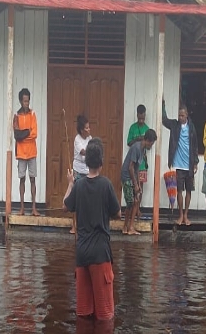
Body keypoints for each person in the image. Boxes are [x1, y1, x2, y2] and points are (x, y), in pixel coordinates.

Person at [64, 137, 120, 320]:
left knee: (83, 314)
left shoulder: (78, 185)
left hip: (82, 254)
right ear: (101, 161)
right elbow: (118, 213)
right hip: (100, 254)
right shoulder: (106, 185)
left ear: (87, 162)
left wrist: (70, 183)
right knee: (105, 316)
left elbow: (65, 205)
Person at [162, 100, 202, 225]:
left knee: (189, 191)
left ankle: (186, 215)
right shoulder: (174, 125)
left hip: (189, 165)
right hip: (178, 165)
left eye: (182, 115)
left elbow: (195, 145)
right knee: (179, 190)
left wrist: (195, 162)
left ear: (187, 115)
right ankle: (180, 215)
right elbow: (164, 120)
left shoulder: (192, 127)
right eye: (179, 115)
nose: (180, 118)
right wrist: (163, 104)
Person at [120, 129, 157, 236]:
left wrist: (138, 184)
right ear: (148, 140)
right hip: (127, 176)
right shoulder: (136, 148)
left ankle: (131, 227)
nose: (151, 146)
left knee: (136, 200)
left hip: (133, 176)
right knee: (130, 203)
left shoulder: (142, 149)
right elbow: (130, 167)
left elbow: (136, 169)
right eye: (152, 143)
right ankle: (125, 227)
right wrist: (135, 184)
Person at [13, 88, 39, 216]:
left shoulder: (32, 114)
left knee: (32, 179)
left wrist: (23, 135)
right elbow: (16, 135)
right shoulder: (16, 116)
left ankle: (34, 208)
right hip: (21, 153)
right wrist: (27, 132)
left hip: (31, 152)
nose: (26, 103)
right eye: (24, 101)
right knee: (22, 179)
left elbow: (35, 133)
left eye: (28, 101)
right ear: (20, 101)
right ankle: (22, 208)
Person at [70, 114, 92, 236]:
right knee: (77, 198)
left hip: (88, 171)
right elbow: (83, 152)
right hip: (78, 171)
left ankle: (85, 225)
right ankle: (74, 225)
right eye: (87, 128)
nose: (89, 129)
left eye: (89, 127)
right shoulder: (77, 139)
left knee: (87, 198)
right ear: (82, 130)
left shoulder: (90, 138)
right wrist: (93, 150)